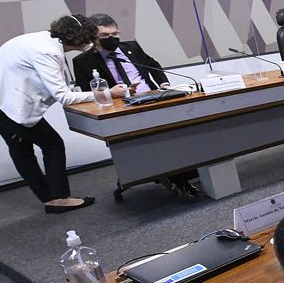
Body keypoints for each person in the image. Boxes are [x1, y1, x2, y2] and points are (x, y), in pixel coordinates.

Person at [0, 14, 128, 213]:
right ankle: (59, 199)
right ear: (81, 39)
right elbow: (64, 96)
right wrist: (107, 92)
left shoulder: (43, 38)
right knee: (52, 144)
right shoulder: (47, 52)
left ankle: (50, 199)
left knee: (21, 149)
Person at [73, 13, 199, 199]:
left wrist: (163, 84)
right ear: (93, 37)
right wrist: (115, 92)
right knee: (157, 142)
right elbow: (88, 92)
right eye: (105, 36)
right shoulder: (83, 61)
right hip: (122, 109)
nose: (112, 39)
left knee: (177, 135)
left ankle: (183, 174)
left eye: (115, 34)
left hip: (154, 100)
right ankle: (176, 178)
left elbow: (151, 64)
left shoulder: (130, 47)